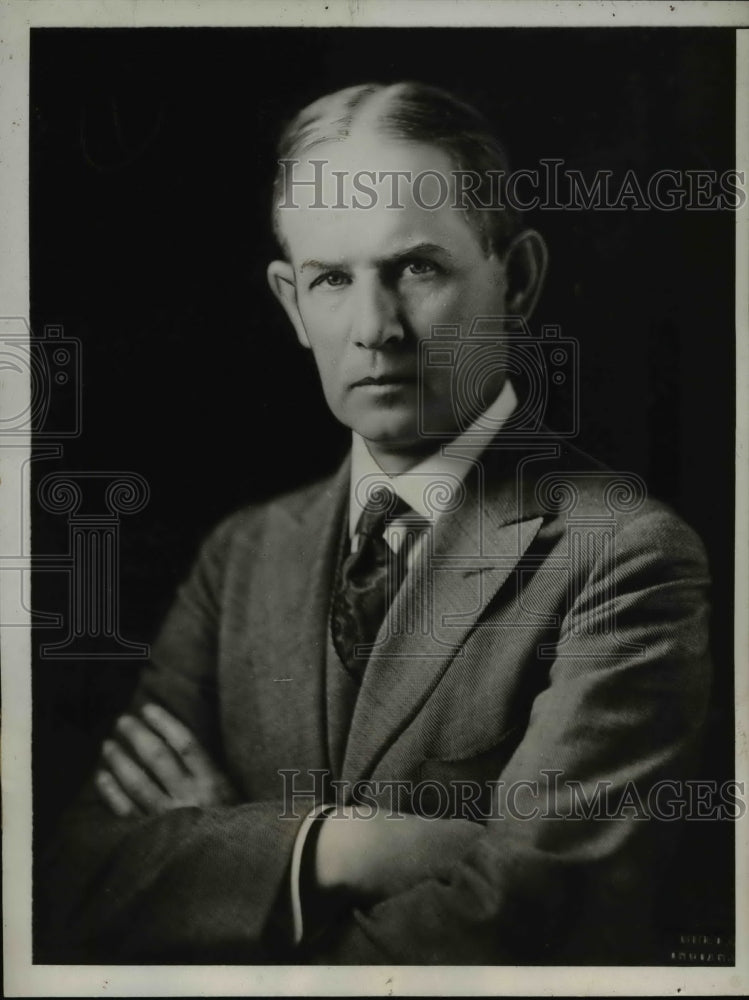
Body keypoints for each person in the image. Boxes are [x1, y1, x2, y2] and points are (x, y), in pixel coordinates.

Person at [37, 81, 711, 965]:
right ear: (289, 301)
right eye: (330, 279)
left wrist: (227, 863)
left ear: (516, 281)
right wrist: (334, 846)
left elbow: (522, 924)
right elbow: (68, 886)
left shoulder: (623, 556)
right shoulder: (242, 556)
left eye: (416, 269)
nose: (374, 328)